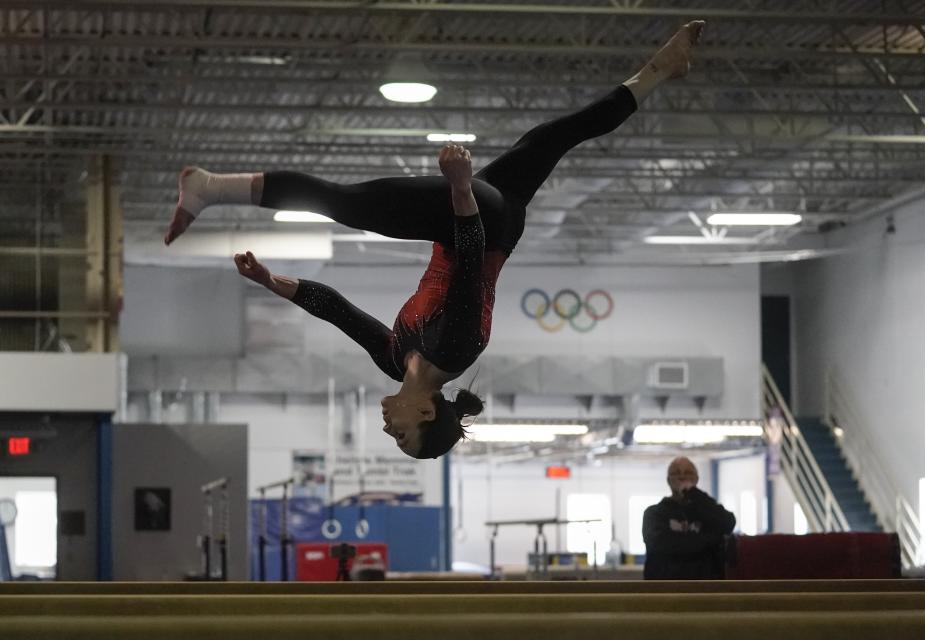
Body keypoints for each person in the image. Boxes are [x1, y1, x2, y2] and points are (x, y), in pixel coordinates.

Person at [164, 22, 706, 459]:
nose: (388, 430)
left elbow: (335, 309)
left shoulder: (397, 360)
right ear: (426, 413)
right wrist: (461, 189)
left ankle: (660, 70)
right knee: (346, 204)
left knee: (554, 137)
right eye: (401, 436)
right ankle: (210, 188)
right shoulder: (458, 346)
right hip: (478, 226)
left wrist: (268, 280)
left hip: (487, 219)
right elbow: (469, 261)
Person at [642, 456, 736, 579]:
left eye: (688, 473)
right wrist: (709, 539)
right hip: (665, 589)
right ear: (669, 480)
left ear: (696, 479)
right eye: (676, 473)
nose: (682, 477)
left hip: (706, 589)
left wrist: (694, 494)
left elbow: (728, 523)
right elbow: (663, 545)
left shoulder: (709, 510)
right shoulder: (654, 514)